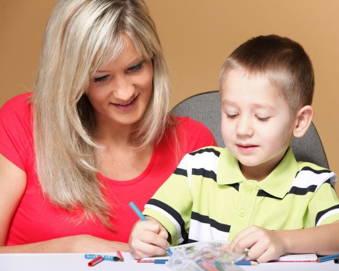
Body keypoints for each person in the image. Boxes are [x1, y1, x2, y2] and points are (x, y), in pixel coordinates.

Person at [0, 0, 215, 253]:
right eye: (100, 78)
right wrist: (73, 248)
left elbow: (213, 260)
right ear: (71, 78)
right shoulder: (22, 121)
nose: (125, 93)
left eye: (135, 67)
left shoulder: (192, 143)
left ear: (154, 60)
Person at [129, 34, 339, 262]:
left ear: (299, 122)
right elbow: (156, 222)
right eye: (232, 114)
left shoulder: (311, 185)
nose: (243, 129)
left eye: (262, 116)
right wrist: (147, 234)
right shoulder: (197, 167)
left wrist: (283, 241)